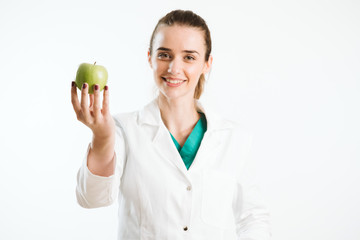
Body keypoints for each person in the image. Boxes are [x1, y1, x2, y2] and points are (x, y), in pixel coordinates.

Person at [71, 9, 271, 240]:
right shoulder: (124, 130)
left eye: (189, 57)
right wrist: (103, 137)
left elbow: (254, 219)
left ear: (207, 63)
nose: (174, 68)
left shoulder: (234, 138)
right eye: (164, 55)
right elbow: (92, 198)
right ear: (150, 58)